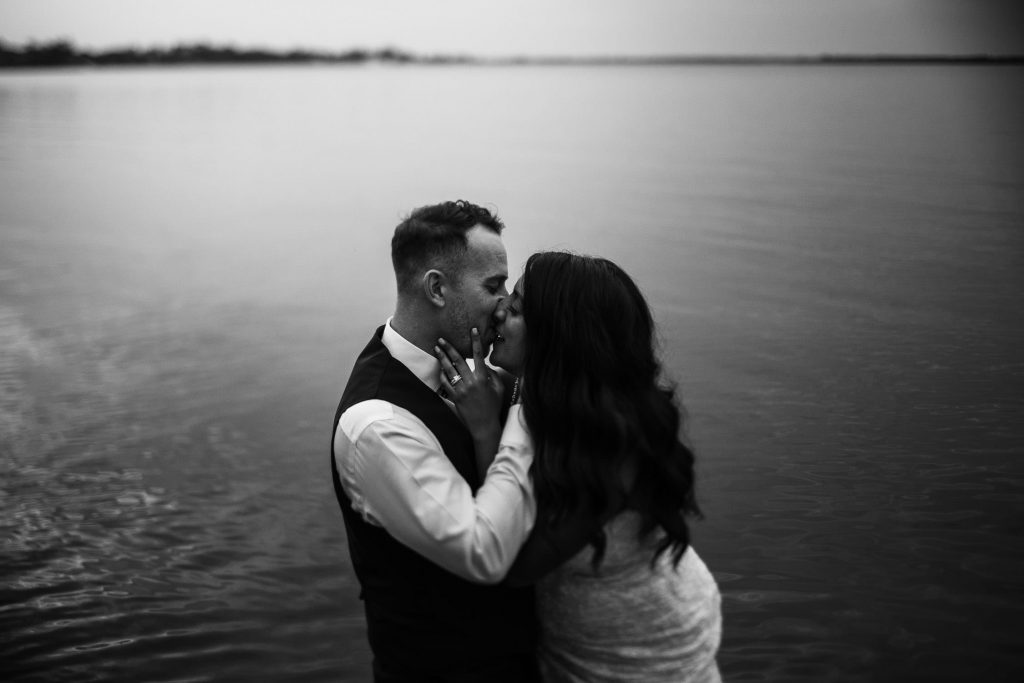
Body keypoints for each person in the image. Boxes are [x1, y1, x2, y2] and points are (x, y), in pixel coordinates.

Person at [436, 251, 723, 682]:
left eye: (514, 309)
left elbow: (509, 565)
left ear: (555, 338)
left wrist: (484, 429)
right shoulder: (553, 398)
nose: (498, 312)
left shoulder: (612, 453)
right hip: (586, 646)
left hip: (647, 657)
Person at [330, 200, 540, 682]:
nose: (505, 303)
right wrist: (527, 416)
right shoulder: (377, 425)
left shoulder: (480, 376)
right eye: (493, 285)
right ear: (437, 288)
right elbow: (482, 552)